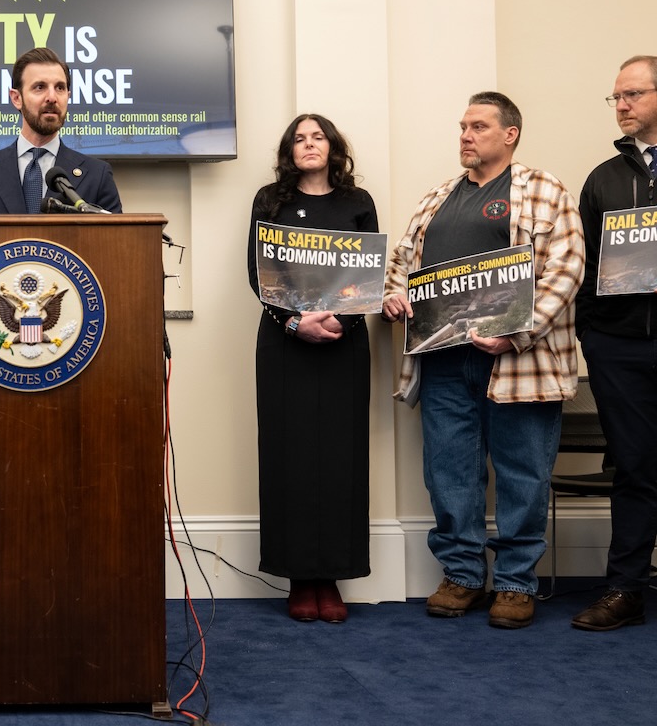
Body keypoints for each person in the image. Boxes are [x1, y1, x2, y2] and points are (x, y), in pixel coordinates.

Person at [383, 92, 584, 629]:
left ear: (509, 134)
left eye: (478, 126)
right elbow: (402, 260)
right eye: (463, 127)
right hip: (443, 361)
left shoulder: (543, 189)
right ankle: (463, 575)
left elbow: (567, 268)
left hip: (519, 361)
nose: (465, 136)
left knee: (523, 472)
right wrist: (394, 295)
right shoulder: (437, 198)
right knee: (449, 472)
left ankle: (517, 582)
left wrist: (514, 332)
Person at [246, 114, 377, 623]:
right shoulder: (269, 200)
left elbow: (369, 271)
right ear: (288, 150)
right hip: (285, 342)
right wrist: (296, 321)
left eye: (317, 136)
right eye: (299, 139)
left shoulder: (356, 202)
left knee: (340, 456)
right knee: (291, 455)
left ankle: (333, 577)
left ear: (333, 146)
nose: (308, 144)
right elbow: (258, 273)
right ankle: (300, 579)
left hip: (345, 342)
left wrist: (337, 320)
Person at [570, 55, 657, 631]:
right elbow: (585, 264)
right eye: (616, 98)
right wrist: (593, 334)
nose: (621, 106)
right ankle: (624, 589)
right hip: (620, 349)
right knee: (634, 466)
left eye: (632, 95)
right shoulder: (604, 178)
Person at [0, 47, 123, 215]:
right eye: (40, 87)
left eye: (60, 88)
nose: (52, 97)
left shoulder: (97, 175)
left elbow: (115, 241)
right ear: (17, 98)